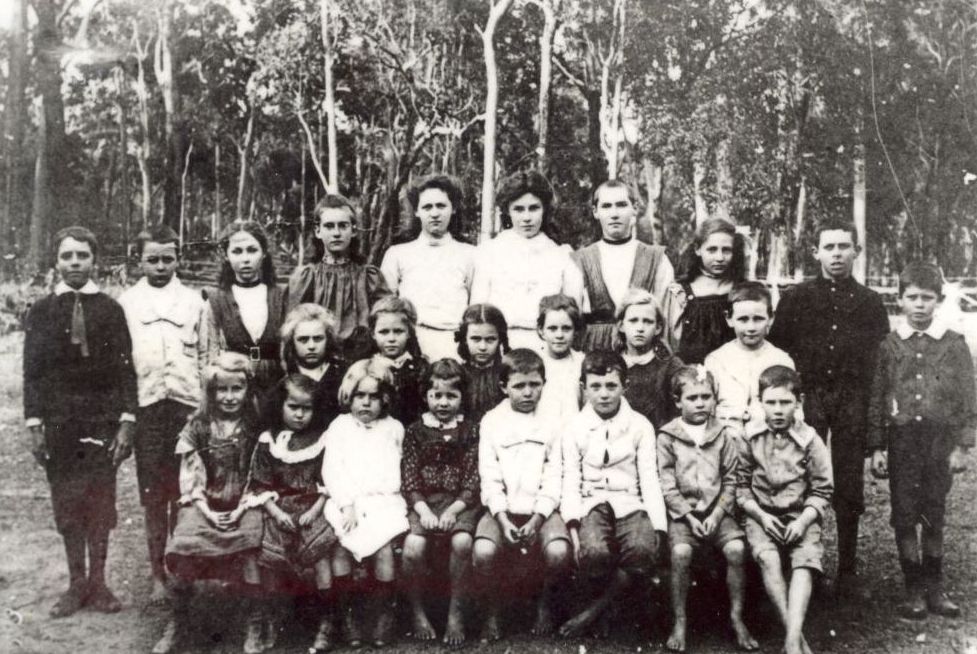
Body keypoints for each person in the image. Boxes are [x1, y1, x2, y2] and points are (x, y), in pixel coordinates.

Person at [768, 218, 889, 596]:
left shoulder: (870, 303)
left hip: (853, 398)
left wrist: (873, 425)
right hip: (810, 398)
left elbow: (881, 363)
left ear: (857, 251)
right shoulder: (796, 298)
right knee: (802, 477)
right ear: (816, 251)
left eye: (844, 246)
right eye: (829, 247)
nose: (837, 254)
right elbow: (778, 353)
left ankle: (848, 570)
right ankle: (806, 565)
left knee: (847, 482)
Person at [23, 226, 137, 618]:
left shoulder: (110, 309)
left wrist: (126, 422)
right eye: (67, 256)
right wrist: (34, 424)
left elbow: (125, 370)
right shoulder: (40, 312)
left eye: (82, 256)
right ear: (56, 261)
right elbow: (32, 373)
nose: (74, 263)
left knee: (99, 500)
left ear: (95, 260)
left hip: (101, 420)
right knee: (67, 502)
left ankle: (99, 582)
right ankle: (75, 584)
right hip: (58, 423)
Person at [866, 262, 976, 619]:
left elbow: (968, 398)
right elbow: (878, 396)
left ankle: (934, 587)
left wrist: (962, 446)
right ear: (899, 300)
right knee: (904, 514)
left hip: (938, 443)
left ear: (938, 301)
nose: (919, 305)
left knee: (933, 512)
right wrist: (877, 447)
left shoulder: (954, 344)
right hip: (901, 443)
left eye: (926, 298)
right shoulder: (889, 345)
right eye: (911, 297)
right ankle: (913, 588)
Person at [118, 224, 207, 603]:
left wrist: (205, 406)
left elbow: (205, 356)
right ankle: (157, 573)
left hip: (187, 406)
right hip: (147, 407)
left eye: (167, 258)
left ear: (178, 259)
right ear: (139, 261)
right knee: (154, 495)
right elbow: (121, 362)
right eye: (152, 259)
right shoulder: (126, 303)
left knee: (184, 490)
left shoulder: (194, 302)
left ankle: (181, 568)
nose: (159, 266)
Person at [160, 353, 266, 654]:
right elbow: (191, 479)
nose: (230, 397)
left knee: (251, 540)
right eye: (222, 390)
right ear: (211, 391)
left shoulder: (254, 427)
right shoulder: (198, 426)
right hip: (206, 502)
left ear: (248, 390)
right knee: (183, 544)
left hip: (246, 502)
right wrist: (206, 509)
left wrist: (241, 507)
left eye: (237, 389)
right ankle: (179, 622)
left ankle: (254, 623)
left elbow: (259, 474)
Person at [558, 351, 667, 638]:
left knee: (643, 550)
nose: (604, 394)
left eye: (611, 386)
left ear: (625, 386)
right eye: (595, 386)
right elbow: (570, 479)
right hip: (590, 501)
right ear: (584, 387)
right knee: (593, 551)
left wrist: (658, 525)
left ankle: (595, 612)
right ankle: (602, 608)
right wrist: (572, 525)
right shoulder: (574, 428)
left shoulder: (640, 426)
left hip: (630, 500)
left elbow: (649, 478)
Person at [657, 366, 756, 653]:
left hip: (717, 512)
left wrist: (717, 513)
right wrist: (687, 515)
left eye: (706, 396)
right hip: (683, 514)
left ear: (714, 399)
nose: (700, 403)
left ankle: (736, 616)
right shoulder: (668, 437)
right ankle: (680, 619)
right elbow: (666, 483)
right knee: (681, 552)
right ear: (678, 401)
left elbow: (731, 479)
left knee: (736, 549)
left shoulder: (723, 435)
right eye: (692, 398)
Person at [474, 348, 571, 640]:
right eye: (519, 386)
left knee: (558, 551)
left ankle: (544, 605)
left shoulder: (554, 421)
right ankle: (492, 611)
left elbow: (555, 476)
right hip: (501, 510)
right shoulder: (492, 421)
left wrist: (538, 519)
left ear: (543, 383)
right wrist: (503, 520)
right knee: (483, 551)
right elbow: (489, 477)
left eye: (535, 384)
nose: (528, 393)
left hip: (541, 510)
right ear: (503, 387)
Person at [737, 366, 833, 654]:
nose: (778, 410)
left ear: (798, 402)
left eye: (785, 402)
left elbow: (822, 490)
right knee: (767, 557)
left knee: (804, 562)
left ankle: (791, 638)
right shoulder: (749, 436)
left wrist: (803, 522)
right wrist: (762, 517)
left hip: (799, 515)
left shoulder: (811, 440)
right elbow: (740, 487)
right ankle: (796, 639)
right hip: (761, 514)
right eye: (771, 402)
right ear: (759, 402)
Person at [322, 358, 409, 648]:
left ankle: (384, 612)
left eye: (374, 397)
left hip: (384, 501)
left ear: (385, 399)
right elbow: (333, 470)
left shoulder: (393, 428)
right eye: (360, 395)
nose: (367, 403)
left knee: (384, 548)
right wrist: (347, 504)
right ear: (350, 395)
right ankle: (347, 616)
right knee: (340, 545)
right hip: (348, 501)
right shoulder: (340, 427)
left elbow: (397, 468)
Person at [248, 374, 336, 653]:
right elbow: (260, 483)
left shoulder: (322, 439)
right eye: (293, 407)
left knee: (321, 554)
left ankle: (327, 619)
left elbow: (329, 481)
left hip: (313, 506)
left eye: (306, 408)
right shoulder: (269, 440)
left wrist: (315, 509)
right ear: (280, 406)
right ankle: (273, 614)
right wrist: (275, 511)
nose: (299, 414)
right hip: (278, 509)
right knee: (269, 554)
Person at [401, 359, 481, 646]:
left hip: (460, 503)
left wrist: (453, 509)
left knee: (462, 542)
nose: (443, 402)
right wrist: (422, 510)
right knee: (413, 546)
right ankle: (417, 611)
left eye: (451, 395)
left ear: (462, 397)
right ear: (426, 396)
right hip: (424, 502)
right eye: (437, 395)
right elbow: (409, 478)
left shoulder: (470, 430)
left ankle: (455, 612)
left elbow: (473, 478)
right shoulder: (415, 431)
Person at [470, 171, 584, 349]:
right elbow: (477, 310)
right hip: (498, 346)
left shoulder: (562, 255)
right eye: (518, 209)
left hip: (547, 347)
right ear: (507, 210)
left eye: (534, 208)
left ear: (545, 209)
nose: (526, 218)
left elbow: (573, 314)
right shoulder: (488, 252)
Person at [381, 174, 476, 361]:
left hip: (455, 347)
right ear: (416, 211)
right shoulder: (397, 254)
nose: (434, 213)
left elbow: (475, 306)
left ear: (453, 208)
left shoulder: (470, 254)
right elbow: (387, 308)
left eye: (441, 206)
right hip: (410, 346)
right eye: (427, 207)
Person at [572, 180, 675, 351]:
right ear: (595, 212)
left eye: (621, 205)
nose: (614, 214)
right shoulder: (579, 260)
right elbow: (571, 319)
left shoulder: (657, 259)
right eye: (606, 206)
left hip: (643, 350)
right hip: (595, 350)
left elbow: (665, 318)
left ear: (634, 208)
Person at [286, 194, 391, 361]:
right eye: (329, 226)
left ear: (354, 230)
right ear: (318, 231)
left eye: (343, 226)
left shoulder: (369, 277)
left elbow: (387, 322)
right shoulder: (306, 277)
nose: (336, 233)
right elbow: (292, 329)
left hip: (360, 361)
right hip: (316, 360)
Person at [204, 220, 285, 395]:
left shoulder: (281, 296)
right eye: (237, 251)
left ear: (264, 253)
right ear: (226, 255)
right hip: (233, 383)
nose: (245, 259)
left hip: (275, 383)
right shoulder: (216, 299)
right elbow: (212, 352)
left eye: (252, 250)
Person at [705, 281, 795, 428]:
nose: (751, 327)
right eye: (743, 319)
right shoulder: (716, 360)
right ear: (729, 319)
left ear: (770, 318)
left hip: (767, 440)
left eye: (758, 319)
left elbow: (791, 411)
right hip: (727, 440)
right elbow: (708, 410)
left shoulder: (781, 360)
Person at [661, 218, 746, 364]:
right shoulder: (681, 291)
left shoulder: (743, 289)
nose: (719, 257)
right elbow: (670, 339)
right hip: (692, 374)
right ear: (697, 249)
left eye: (726, 250)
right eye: (712, 250)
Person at [263, 303, 345, 433]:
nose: (311, 346)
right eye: (303, 340)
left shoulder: (342, 375)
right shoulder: (281, 376)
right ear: (292, 341)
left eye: (318, 339)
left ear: (328, 339)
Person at [616, 288, 684, 430]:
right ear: (621, 326)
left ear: (658, 328)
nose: (640, 328)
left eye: (647, 321)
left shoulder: (671, 366)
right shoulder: (612, 364)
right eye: (633, 321)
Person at [368, 296, 429, 426]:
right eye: (384, 332)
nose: (391, 338)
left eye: (398, 331)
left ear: (409, 333)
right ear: (373, 334)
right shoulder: (367, 368)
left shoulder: (421, 368)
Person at [535, 294, 585, 428]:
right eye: (552, 328)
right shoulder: (533, 362)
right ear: (541, 330)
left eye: (566, 328)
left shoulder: (582, 362)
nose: (559, 335)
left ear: (575, 331)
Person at [457, 303, 509, 425]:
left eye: (490, 339)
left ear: (500, 339)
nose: (483, 347)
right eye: (475, 339)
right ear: (465, 339)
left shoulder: (507, 373)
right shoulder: (457, 374)